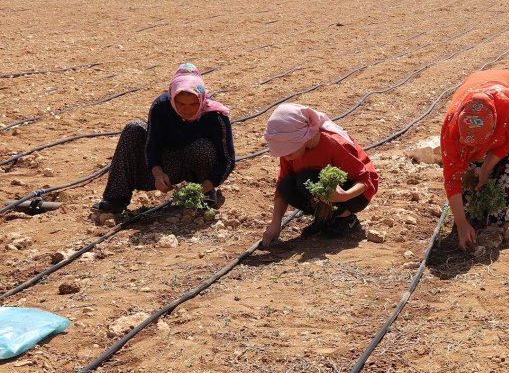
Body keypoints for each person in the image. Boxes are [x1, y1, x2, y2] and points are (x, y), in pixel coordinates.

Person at [92, 63, 235, 213]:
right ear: (172, 98)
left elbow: (228, 159)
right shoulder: (161, 107)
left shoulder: (215, 116)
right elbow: (152, 144)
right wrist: (158, 173)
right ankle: (115, 199)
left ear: (202, 98)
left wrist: (206, 185)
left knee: (202, 147)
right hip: (169, 164)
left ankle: (206, 195)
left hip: (198, 169)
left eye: (194, 104)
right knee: (133, 128)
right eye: (181, 103)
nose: (187, 109)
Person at [440, 69, 509, 251]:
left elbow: (508, 142)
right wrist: (461, 223)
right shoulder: (450, 129)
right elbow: (452, 177)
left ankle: (498, 220)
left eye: (479, 146)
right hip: (477, 85)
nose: (474, 151)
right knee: (470, 167)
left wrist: (486, 168)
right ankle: (471, 213)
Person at [261, 103, 378, 246]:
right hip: (330, 194)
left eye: (289, 152)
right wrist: (275, 224)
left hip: (355, 194)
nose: (286, 157)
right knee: (286, 186)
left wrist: (344, 195)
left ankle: (345, 218)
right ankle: (324, 218)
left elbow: (364, 180)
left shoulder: (333, 143)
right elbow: (282, 185)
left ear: (303, 138)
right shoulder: (290, 153)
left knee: (306, 178)